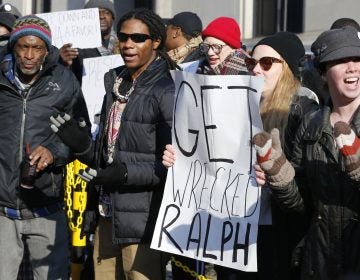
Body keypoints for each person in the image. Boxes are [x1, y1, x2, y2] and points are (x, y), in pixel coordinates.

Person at [51, 7, 177, 280]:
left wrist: (125, 173)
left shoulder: (167, 89)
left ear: (156, 41)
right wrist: (82, 145)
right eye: (123, 37)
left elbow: (174, 165)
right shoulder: (116, 82)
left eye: (138, 38)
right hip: (106, 210)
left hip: (142, 218)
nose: (128, 44)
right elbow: (106, 154)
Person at [252, 26, 360, 279]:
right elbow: (301, 204)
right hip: (320, 261)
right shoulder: (312, 124)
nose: (352, 67)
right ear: (323, 72)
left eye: (357, 59)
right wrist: (280, 176)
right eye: (341, 61)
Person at [0, 15, 89, 280]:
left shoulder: (64, 82)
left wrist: (54, 151)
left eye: (36, 48)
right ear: (13, 47)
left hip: (45, 206)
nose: (29, 55)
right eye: (22, 47)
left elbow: (81, 135)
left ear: (47, 50)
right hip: (2, 209)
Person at [59, 0, 119, 83]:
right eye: (96, 13)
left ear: (113, 18)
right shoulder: (75, 47)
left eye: (107, 12)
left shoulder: (123, 44)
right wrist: (62, 62)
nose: (101, 16)